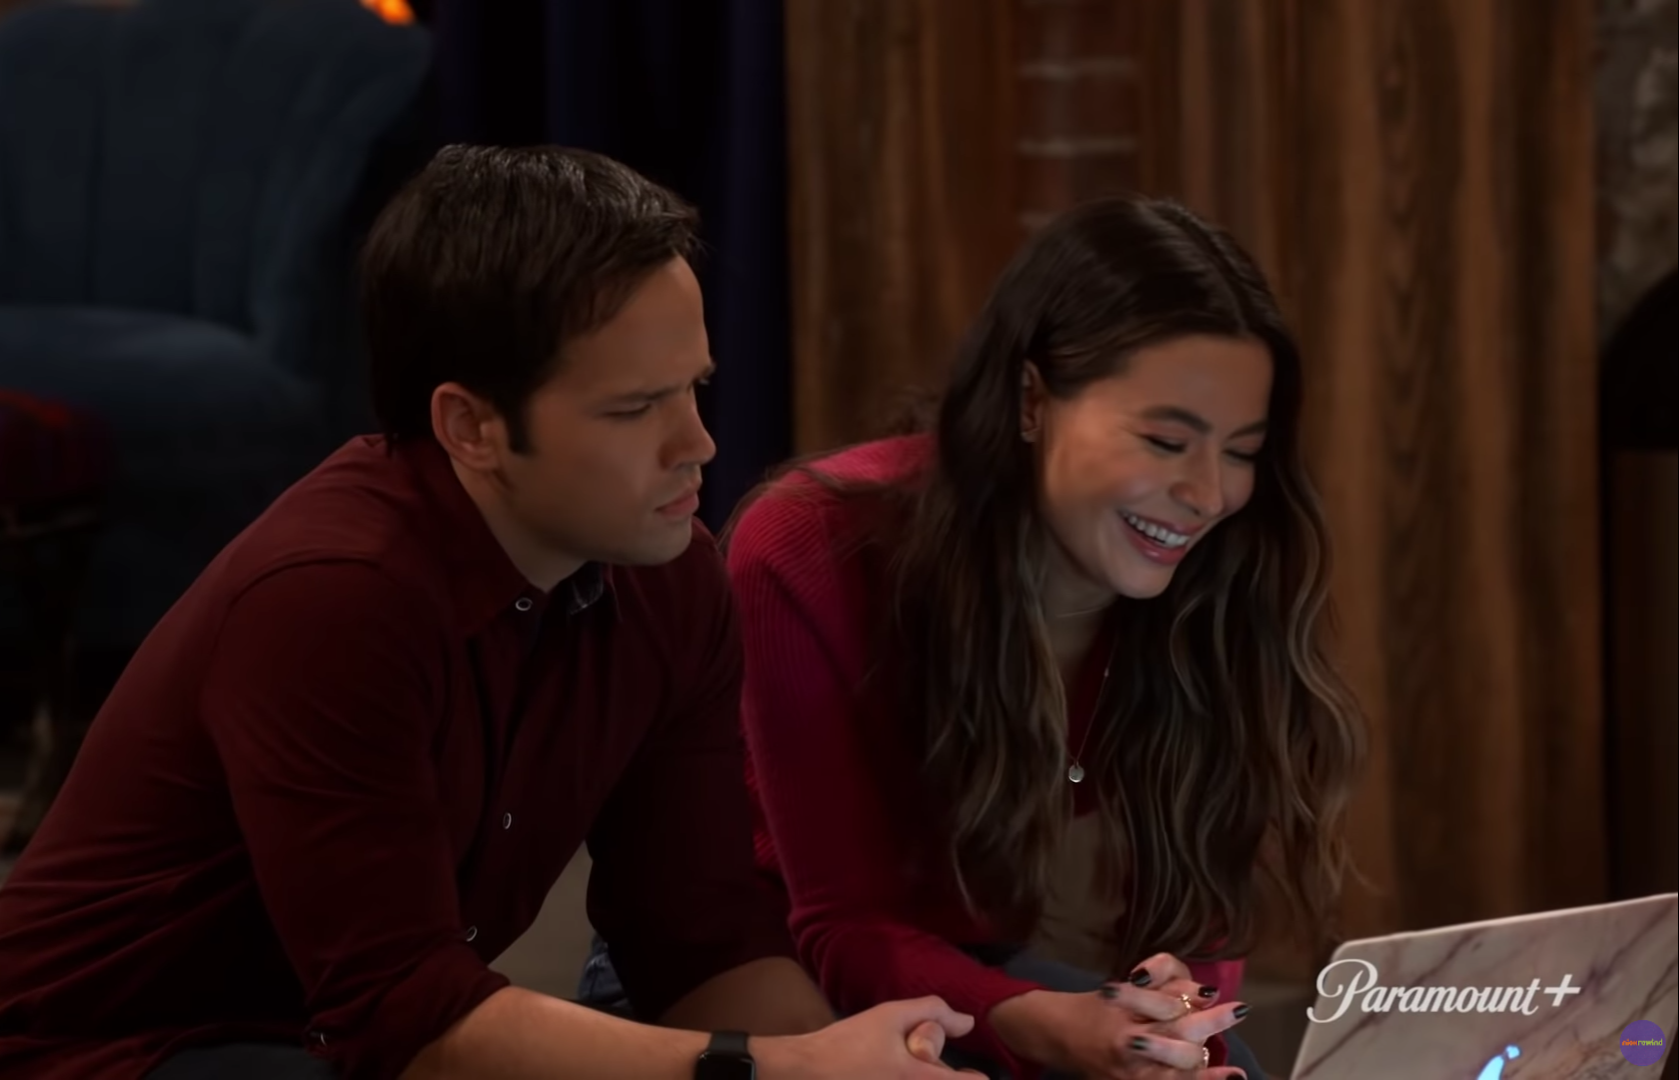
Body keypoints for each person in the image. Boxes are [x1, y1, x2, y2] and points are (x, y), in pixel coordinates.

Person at [0, 145, 982, 1080]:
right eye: (634, 408)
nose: (697, 444)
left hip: (346, 1045)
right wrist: (774, 1071)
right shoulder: (333, 598)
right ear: (471, 426)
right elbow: (405, 1019)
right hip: (108, 1052)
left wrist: (837, 1067)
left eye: (694, 388)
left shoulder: (669, 575)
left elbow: (701, 941)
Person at [581, 195, 1369, 1079]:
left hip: (978, 974)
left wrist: (1175, 1018)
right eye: (1164, 440)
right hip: (752, 979)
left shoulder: (1224, 574)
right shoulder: (812, 544)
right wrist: (1050, 1027)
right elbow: (842, 925)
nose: (1208, 494)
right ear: (1032, 401)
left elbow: (1200, 911)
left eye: (1242, 451)